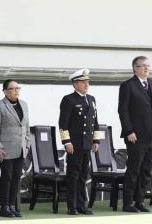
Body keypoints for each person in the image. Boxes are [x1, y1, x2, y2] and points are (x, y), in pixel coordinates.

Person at [118, 56, 152, 213]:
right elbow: (123, 110)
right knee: (133, 170)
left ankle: (139, 201)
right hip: (136, 136)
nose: (146, 68)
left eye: (148, 66)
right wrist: (128, 130)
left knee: (146, 171)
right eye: (143, 66)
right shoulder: (128, 86)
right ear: (135, 68)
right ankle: (128, 203)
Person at [59, 69, 99, 215]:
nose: (86, 84)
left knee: (83, 175)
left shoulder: (92, 99)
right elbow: (63, 123)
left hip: (87, 143)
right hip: (74, 144)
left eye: (87, 82)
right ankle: (72, 206)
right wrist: (67, 142)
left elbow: (95, 122)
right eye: (83, 82)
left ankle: (82, 205)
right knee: (73, 175)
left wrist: (96, 140)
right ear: (75, 84)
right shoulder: (69, 100)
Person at [0, 80, 30, 218]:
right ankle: (4, 207)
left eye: (17, 88)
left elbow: (26, 127)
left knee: (16, 178)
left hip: (21, 148)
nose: (16, 91)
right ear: (5, 91)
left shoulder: (24, 105)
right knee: (6, 177)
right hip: (5, 149)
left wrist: (27, 144)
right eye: (12, 89)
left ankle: (12, 205)